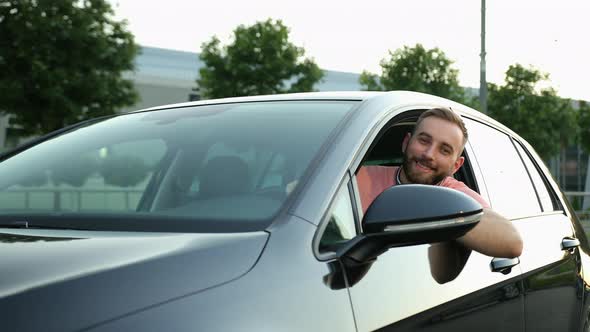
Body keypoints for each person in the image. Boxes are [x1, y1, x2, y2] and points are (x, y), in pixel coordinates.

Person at [357, 107, 523, 259]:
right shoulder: (358, 177)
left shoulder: (455, 195)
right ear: (406, 143)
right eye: (424, 141)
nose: (429, 154)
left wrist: (432, 209)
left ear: (456, 166)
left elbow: (513, 243)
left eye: (444, 150)